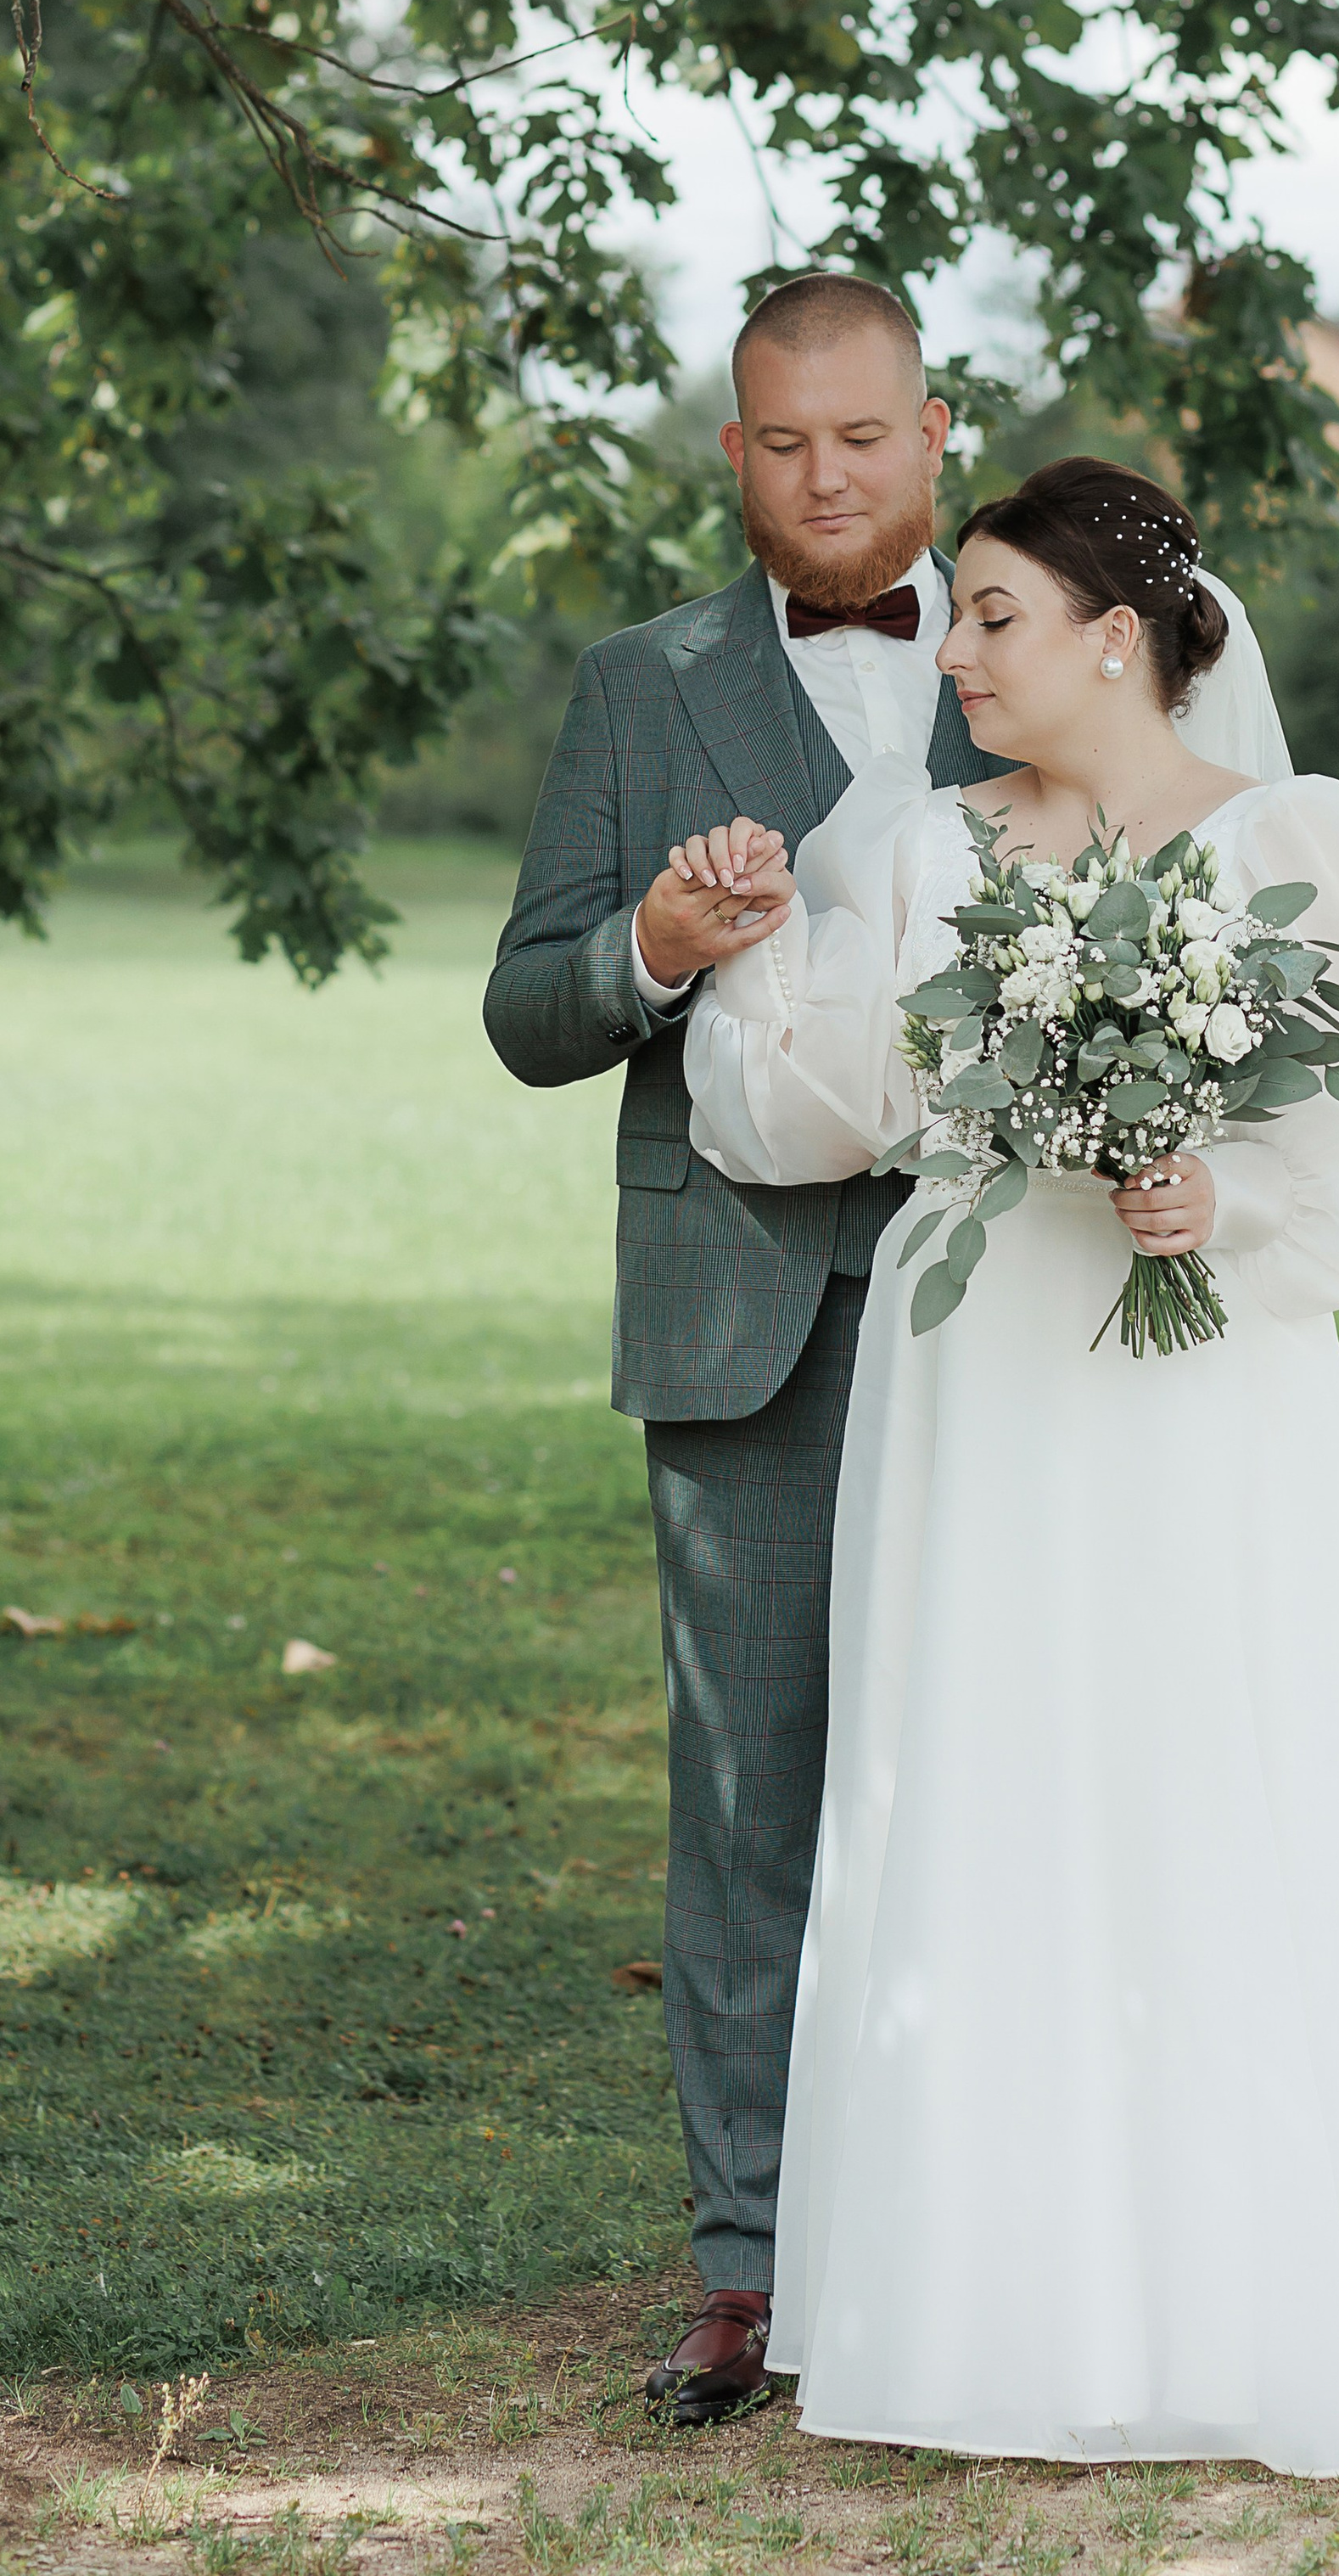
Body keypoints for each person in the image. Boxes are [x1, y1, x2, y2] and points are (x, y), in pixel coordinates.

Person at [675, 453, 1339, 2471]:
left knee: (1216, 1781)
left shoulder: (1298, 837)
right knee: (989, 1788)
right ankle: (999, 2309)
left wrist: (1213, 1205)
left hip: (1205, 1391)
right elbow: (819, 1112)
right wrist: (742, 948)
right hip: (979, 1377)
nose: (958, 652)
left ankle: (1260, 2292)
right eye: (958, 618)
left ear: (1112, 635)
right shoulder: (915, 850)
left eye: (990, 616)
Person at [484, 273, 1004, 2427]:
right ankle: (750, 2267)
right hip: (739, 1313)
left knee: (1006, 1772)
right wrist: (649, 949)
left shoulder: (1053, 651)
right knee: (748, 1795)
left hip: (1013, 1304)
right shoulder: (643, 684)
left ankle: (996, 2221)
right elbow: (525, 1010)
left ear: (935, 429)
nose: (824, 482)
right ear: (730, 452)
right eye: (781, 445)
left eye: (862, 440)